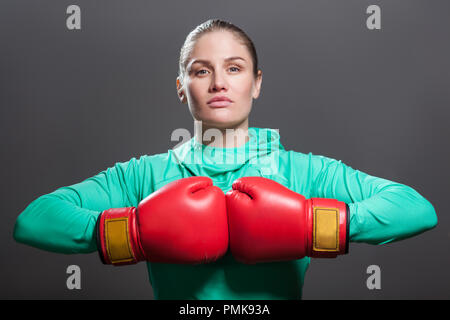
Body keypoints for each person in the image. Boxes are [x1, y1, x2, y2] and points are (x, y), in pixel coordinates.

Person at [13, 19, 437, 300]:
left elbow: (415, 209)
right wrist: (136, 233)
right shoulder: (146, 174)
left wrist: (313, 224)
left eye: (234, 69)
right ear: (182, 87)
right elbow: (34, 220)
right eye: (201, 71)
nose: (218, 83)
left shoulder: (302, 172)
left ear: (256, 84)